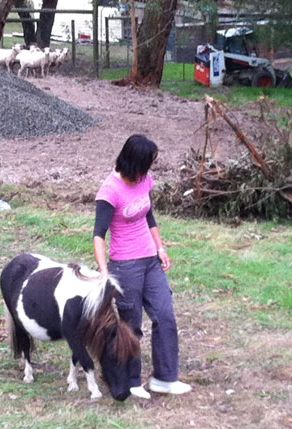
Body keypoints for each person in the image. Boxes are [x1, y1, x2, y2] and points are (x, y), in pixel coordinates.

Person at [93, 134, 192, 399]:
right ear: (133, 161)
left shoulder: (144, 179)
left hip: (150, 261)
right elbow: (98, 235)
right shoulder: (109, 191)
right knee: (131, 324)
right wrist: (104, 273)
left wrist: (160, 247)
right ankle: (132, 380)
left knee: (165, 315)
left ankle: (165, 378)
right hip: (125, 266)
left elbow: (149, 215)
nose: (150, 169)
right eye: (147, 163)